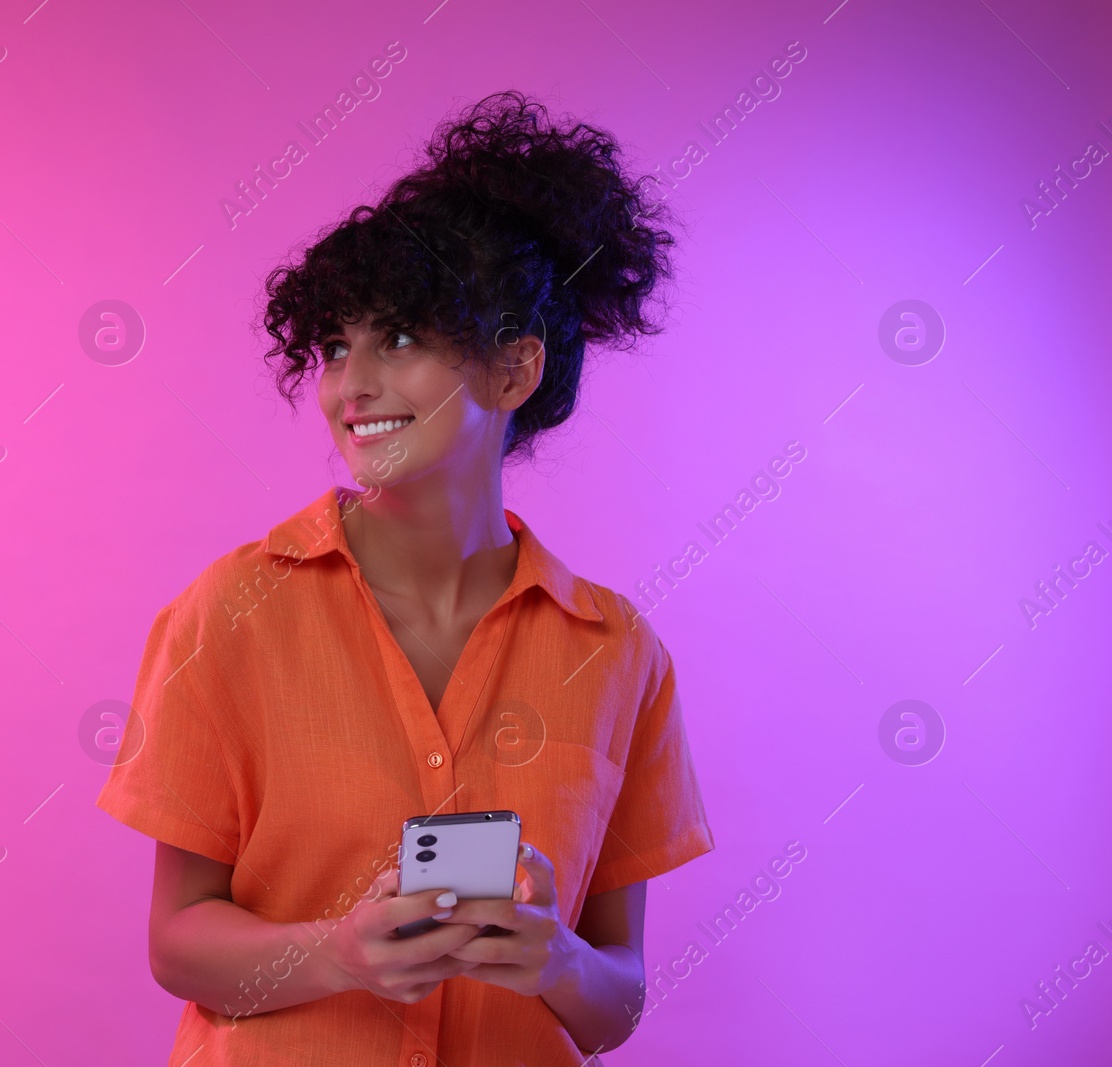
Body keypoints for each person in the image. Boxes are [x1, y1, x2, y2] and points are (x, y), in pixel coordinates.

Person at [96, 89, 713, 1065]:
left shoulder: (619, 652)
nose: (351, 385)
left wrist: (553, 958)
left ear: (512, 371)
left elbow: (615, 999)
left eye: (401, 340)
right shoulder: (227, 613)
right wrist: (336, 952)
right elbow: (177, 942)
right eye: (337, 345)